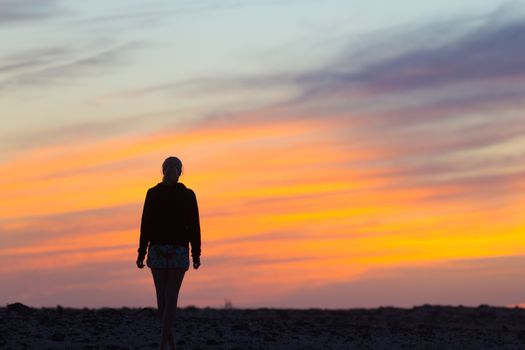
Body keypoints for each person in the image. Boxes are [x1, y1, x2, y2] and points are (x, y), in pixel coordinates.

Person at [136, 156, 201, 350]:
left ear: (162, 170)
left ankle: (167, 341)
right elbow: (195, 227)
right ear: (180, 172)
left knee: (162, 296)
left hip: (157, 250)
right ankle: (165, 342)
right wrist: (196, 254)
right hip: (178, 250)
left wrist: (141, 252)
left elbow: (145, 226)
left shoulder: (152, 193)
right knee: (171, 295)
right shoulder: (188, 195)